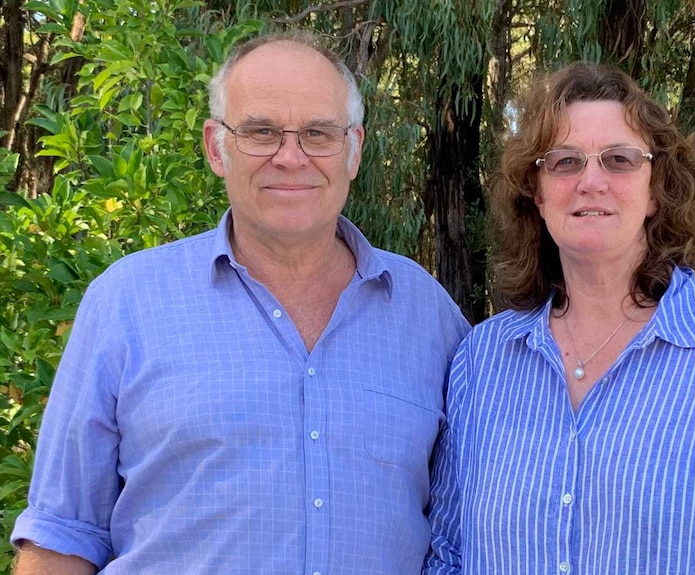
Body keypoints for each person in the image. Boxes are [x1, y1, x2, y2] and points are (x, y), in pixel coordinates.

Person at [11, 31, 469, 575]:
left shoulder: (429, 316)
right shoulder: (126, 303)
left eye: (319, 133)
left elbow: (463, 524)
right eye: (261, 131)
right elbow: (62, 538)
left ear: (354, 150)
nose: (290, 157)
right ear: (215, 147)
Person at [423, 62, 695, 574]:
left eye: (619, 160)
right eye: (564, 162)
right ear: (536, 192)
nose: (591, 182)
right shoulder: (482, 359)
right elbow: (448, 553)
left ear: (655, 189)